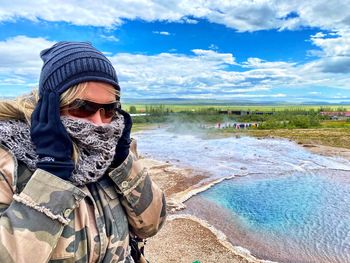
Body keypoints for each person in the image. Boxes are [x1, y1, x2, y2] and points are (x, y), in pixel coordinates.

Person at [0, 41, 166, 262]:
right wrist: (50, 176)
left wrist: (123, 163)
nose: (99, 123)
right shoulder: (8, 160)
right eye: (82, 107)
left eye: (109, 109)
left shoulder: (112, 150)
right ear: (51, 105)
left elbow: (151, 225)